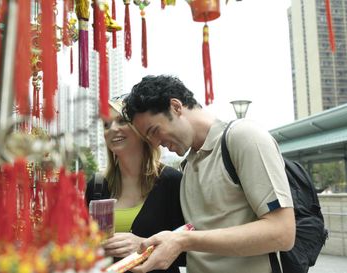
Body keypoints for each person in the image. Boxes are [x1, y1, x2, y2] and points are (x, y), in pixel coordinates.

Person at [122, 75, 296, 273]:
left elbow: (282, 233)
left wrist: (183, 241)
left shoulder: (243, 137)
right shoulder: (188, 165)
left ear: (176, 107)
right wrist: (150, 245)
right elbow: (200, 237)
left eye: (154, 130)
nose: (154, 143)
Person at [85, 96, 186, 273]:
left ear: (140, 129)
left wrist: (143, 246)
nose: (112, 129)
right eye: (106, 125)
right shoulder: (97, 185)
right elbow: (83, 246)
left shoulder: (171, 181)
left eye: (121, 121)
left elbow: (190, 248)